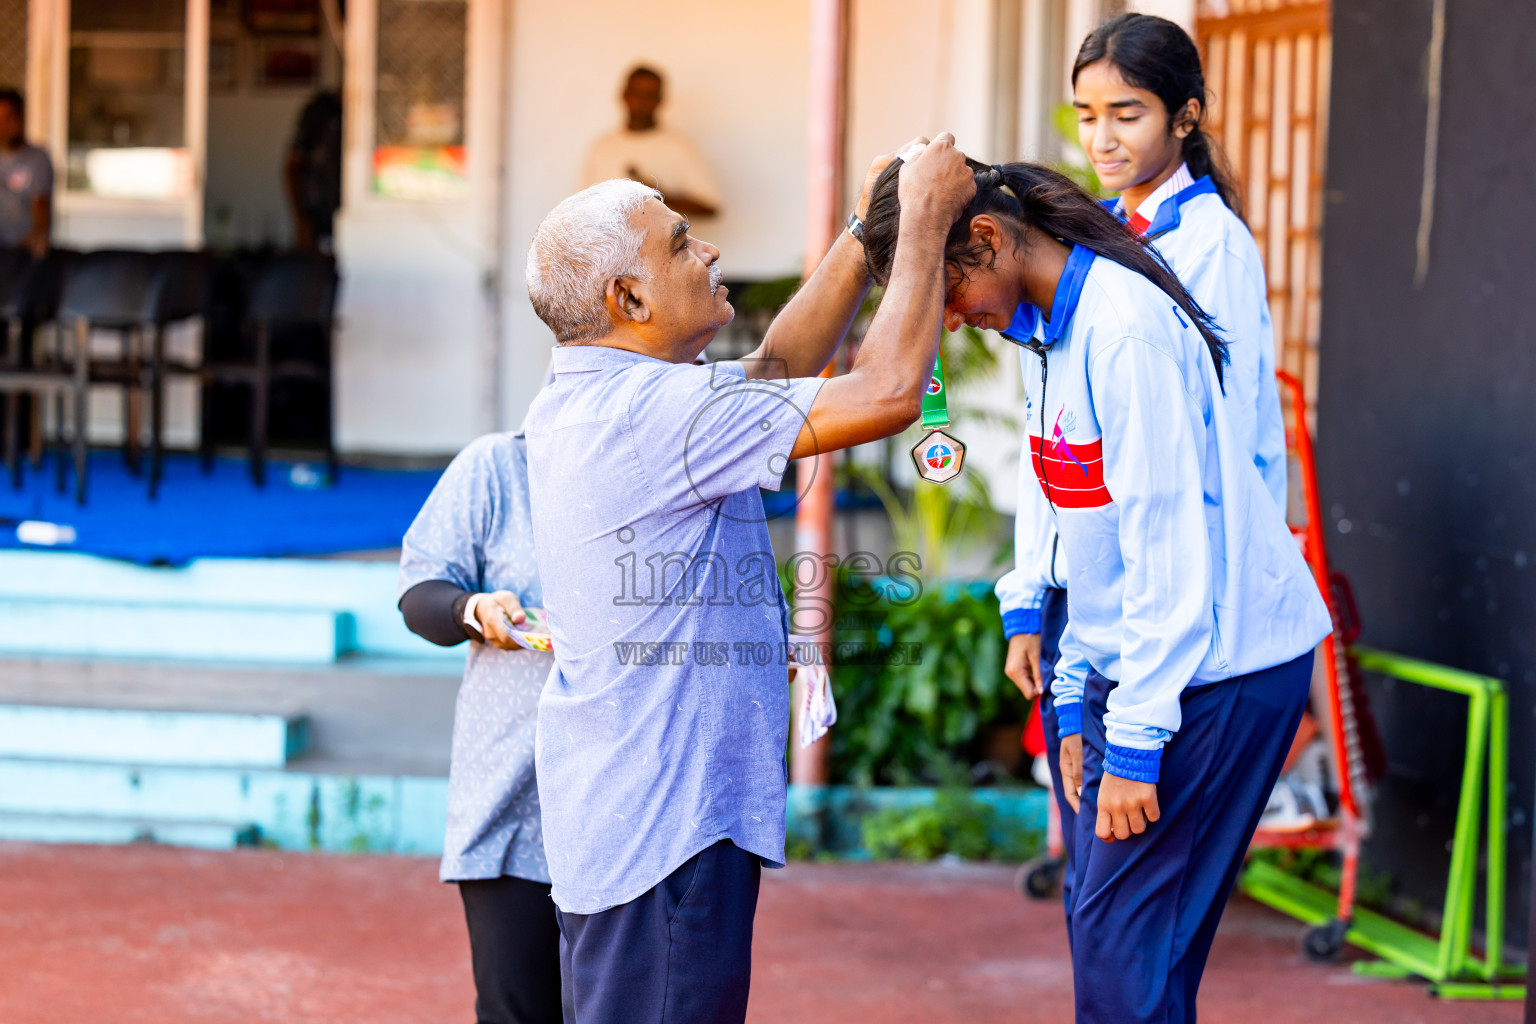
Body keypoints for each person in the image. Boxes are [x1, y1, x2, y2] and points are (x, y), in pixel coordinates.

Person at [862, 158, 1332, 1023]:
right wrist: (1075, 690)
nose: (956, 325)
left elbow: (1166, 554)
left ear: (989, 239)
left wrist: (1138, 739)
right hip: (1146, 657)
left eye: (947, 294)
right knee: (1121, 949)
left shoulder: (1122, 333)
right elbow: (1081, 522)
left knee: (1123, 958)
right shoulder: (1046, 330)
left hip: (1218, 669)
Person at [522, 136, 975, 1024]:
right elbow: (884, 391)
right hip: (665, 836)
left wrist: (862, 233)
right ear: (629, 298)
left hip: (643, 825)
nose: (711, 251)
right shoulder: (654, 414)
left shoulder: (610, 394)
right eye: (682, 244)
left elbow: (773, 371)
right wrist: (921, 221)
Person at [994, 10, 1294, 929]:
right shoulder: (1102, 236)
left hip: (1182, 614)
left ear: (1185, 116)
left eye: (1127, 113)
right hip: (1103, 603)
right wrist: (1031, 597)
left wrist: (1156, 665)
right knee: (1103, 907)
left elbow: (1219, 454)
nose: (1101, 137)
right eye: (1086, 115)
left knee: (1132, 920)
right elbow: (1063, 437)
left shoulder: (1211, 248)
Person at [398, 434, 561, 1024]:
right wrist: (474, 609)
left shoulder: (676, 464)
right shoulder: (500, 466)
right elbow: (421, 590)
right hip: (515, 798)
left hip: (637, 804)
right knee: (516, 1010)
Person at [581, 66, 721, 218]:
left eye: (650, 95)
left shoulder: (678, 146)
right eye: (637, 93)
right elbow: (582, 208)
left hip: (663, 242)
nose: (642, 101)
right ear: (624, 95)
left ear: (660, 100)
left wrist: (660, 197)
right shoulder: (603, 147)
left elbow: (710, 207)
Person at [285, 90, 342, 252]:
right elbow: (293, 165)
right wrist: (301, 221)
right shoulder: (320, 111)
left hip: (361, 223)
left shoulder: (372, 110)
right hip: (319, 219)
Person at [0, 90, 52, 258]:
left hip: (23, 251)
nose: (3, 125)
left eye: (8, 118)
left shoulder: (37, 158)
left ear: (21, 118)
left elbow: (40, 202)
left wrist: (38, 234)